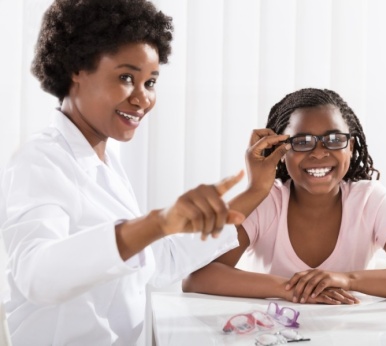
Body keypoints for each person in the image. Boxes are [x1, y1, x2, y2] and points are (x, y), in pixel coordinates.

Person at [0, 0, 245, 344]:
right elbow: (37, 276)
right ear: (77, 68)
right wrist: (156, 223)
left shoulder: (106, 160)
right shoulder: (38, 160)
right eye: (127, 77)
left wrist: (257, 189)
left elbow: (152, 265)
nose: (143, 99)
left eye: (151, 82)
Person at [183, 88, 386, 304]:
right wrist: (291, 289)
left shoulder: (369, 200)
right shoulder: (267, 201)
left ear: (351, 146)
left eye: (333, 139)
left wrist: (347, 279)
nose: (319, 153)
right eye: (302, 141)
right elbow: (196, 276)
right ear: (280, 149)